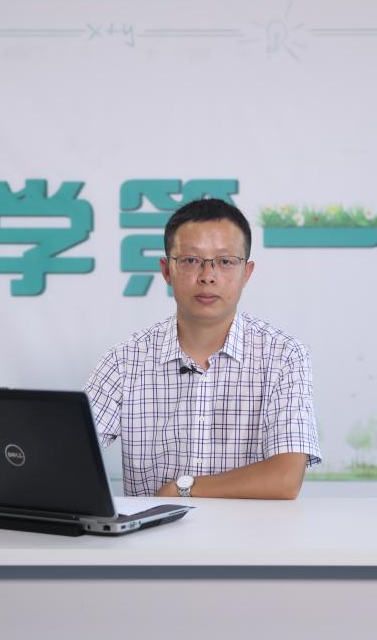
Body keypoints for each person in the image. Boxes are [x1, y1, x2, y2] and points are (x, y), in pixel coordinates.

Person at [84, 198, 321, 499]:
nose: (207, 276)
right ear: (166, 271)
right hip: (154, 531)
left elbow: (285, 479)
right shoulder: (124, 361)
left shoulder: (283, 356)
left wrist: (183, 489)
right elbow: (68, 453)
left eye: (225, 262)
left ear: (246, 273)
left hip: (251, 530)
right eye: (190, 260)